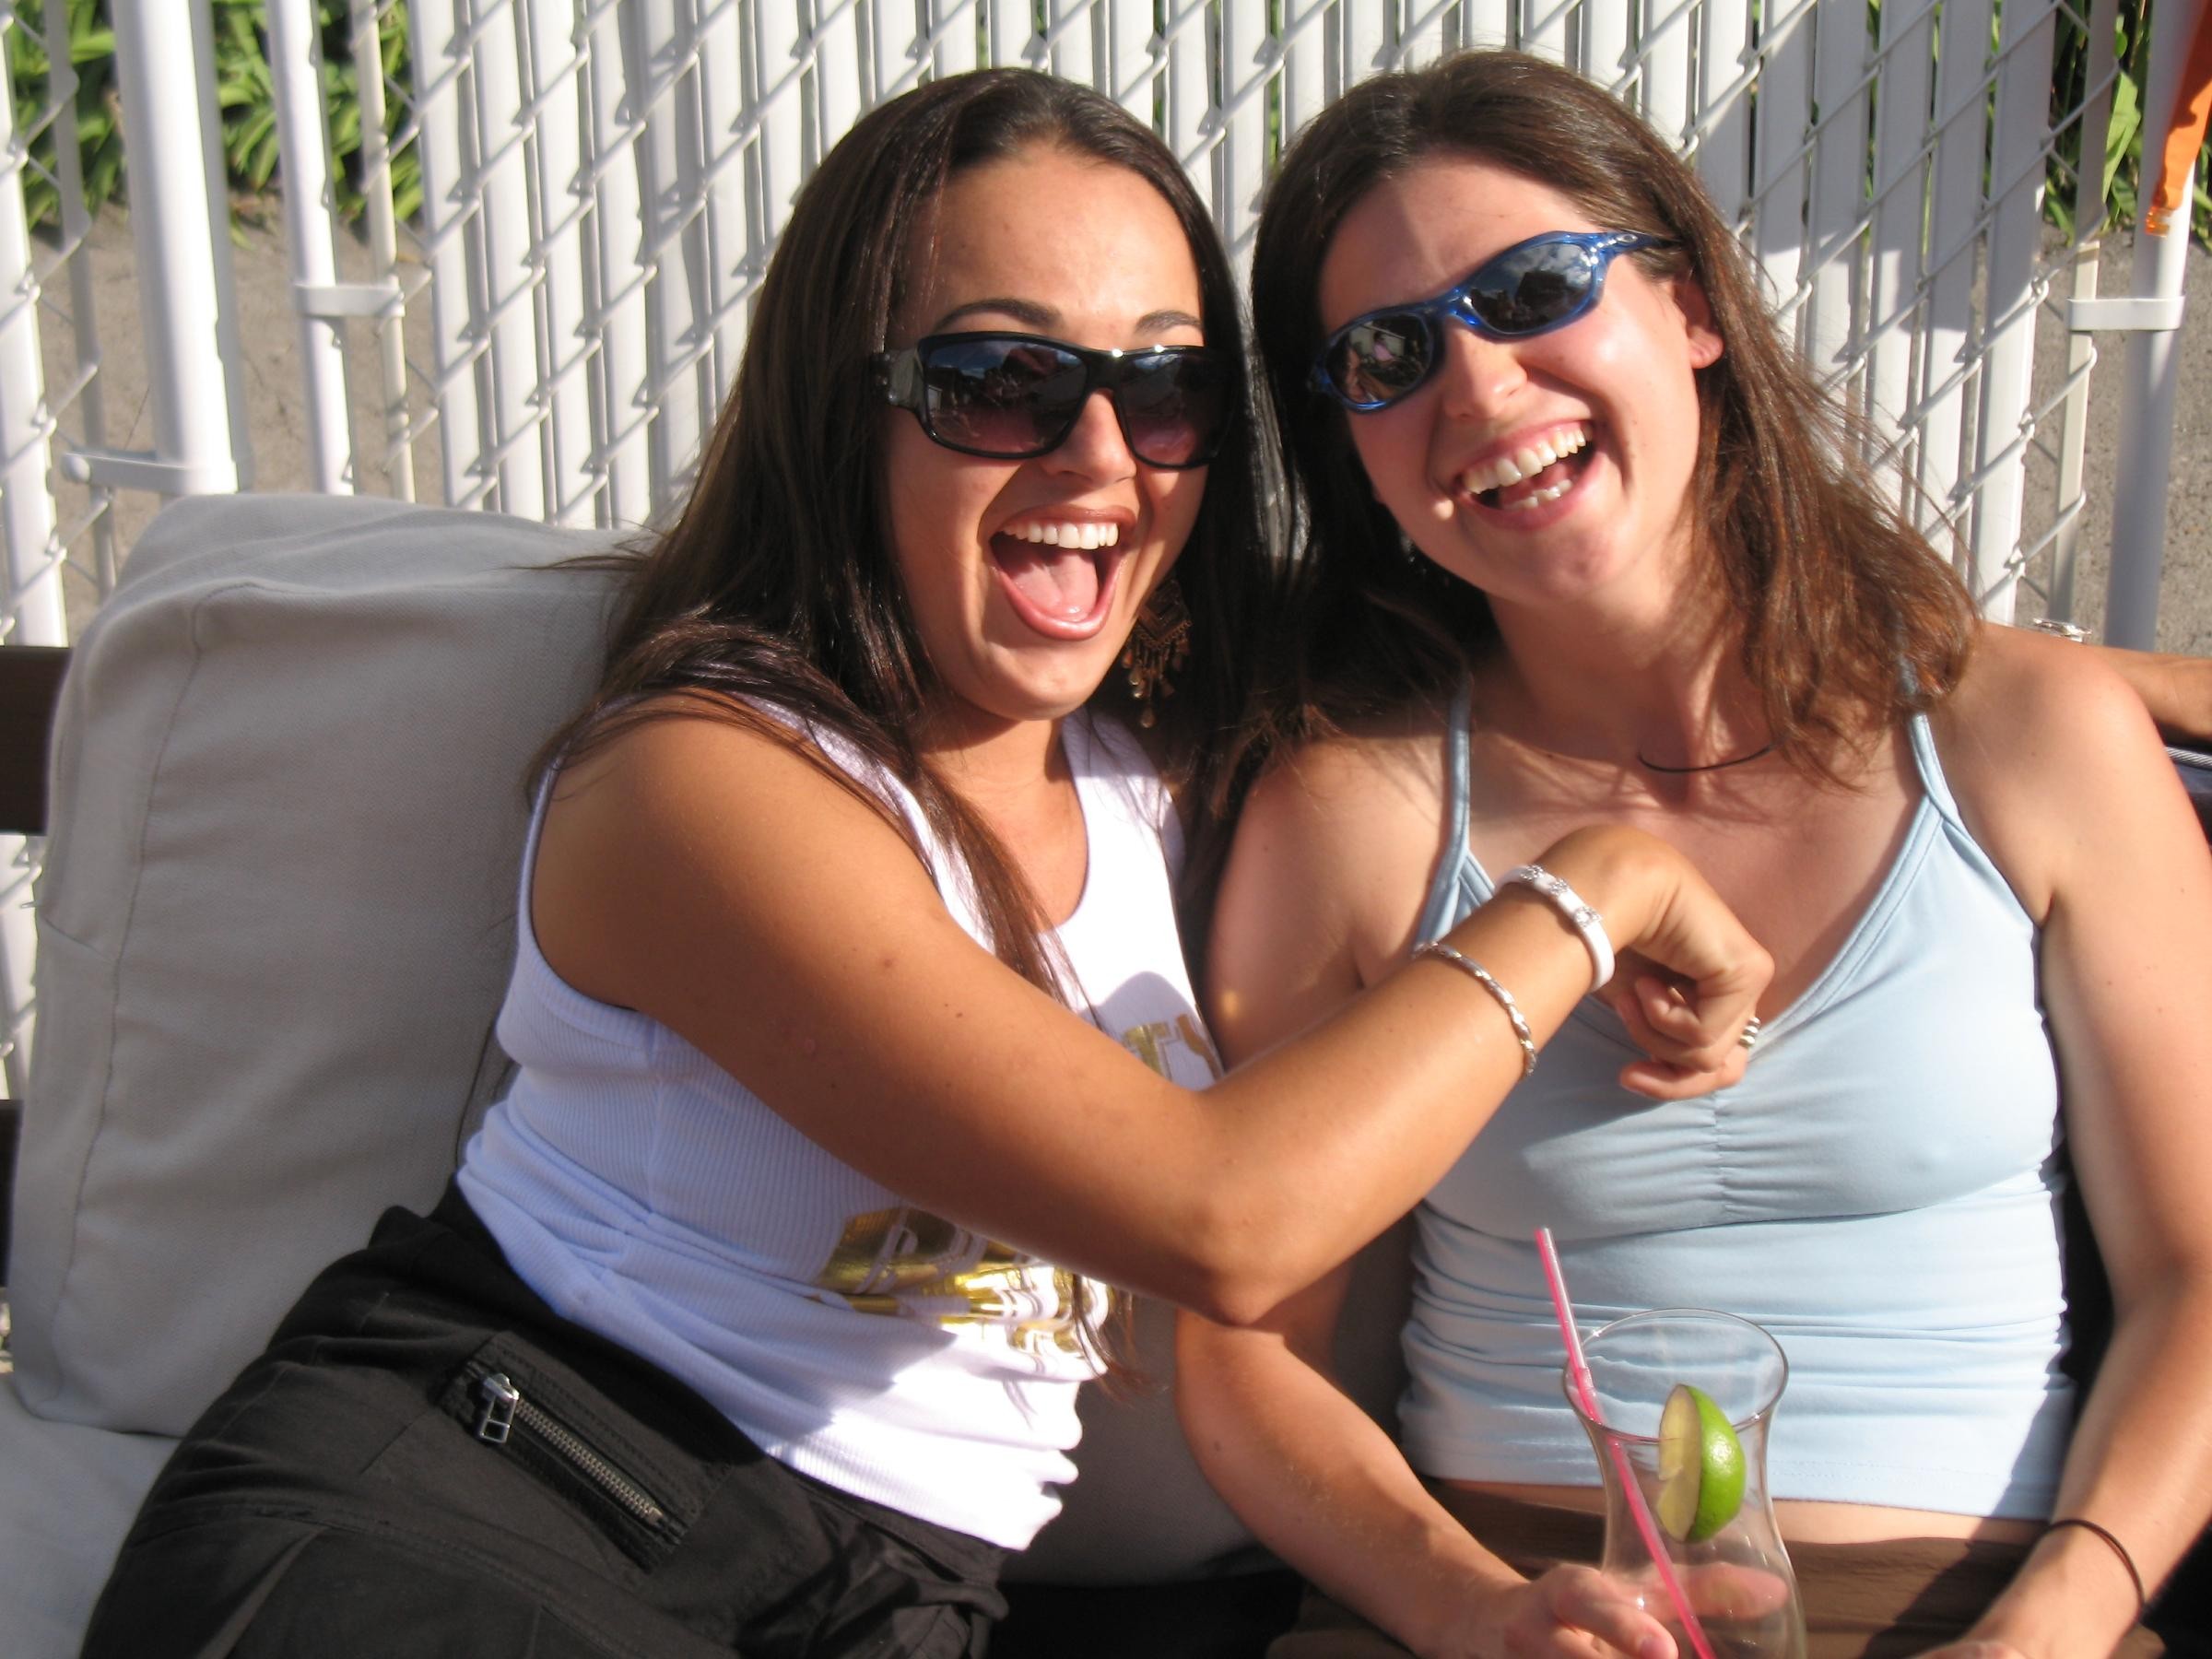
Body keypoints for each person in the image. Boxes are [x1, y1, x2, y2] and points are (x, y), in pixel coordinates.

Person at [77, 66, 1768, 1659]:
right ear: (848, 413)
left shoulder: (1164, 773)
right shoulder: (697, 783)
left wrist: (1477, 1610)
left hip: (899, 1602)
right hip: (502, 1510)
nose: (1100, 457)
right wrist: (1595, 889)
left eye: (1166, 387)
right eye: (999, 382)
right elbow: (1229, 1218)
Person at [1178, 50, 2212, 1659]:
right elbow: (1250, 1343)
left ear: (1692, 306)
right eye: (1389, 354)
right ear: (1353, 450)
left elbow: (2198, 1277)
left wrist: (2055, 1625)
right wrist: (1475, 1611)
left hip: (1980, 1603)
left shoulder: (2034, 742)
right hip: (1507, 1599)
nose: (1478, 389)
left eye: (1534, 289)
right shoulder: (1349, 815)